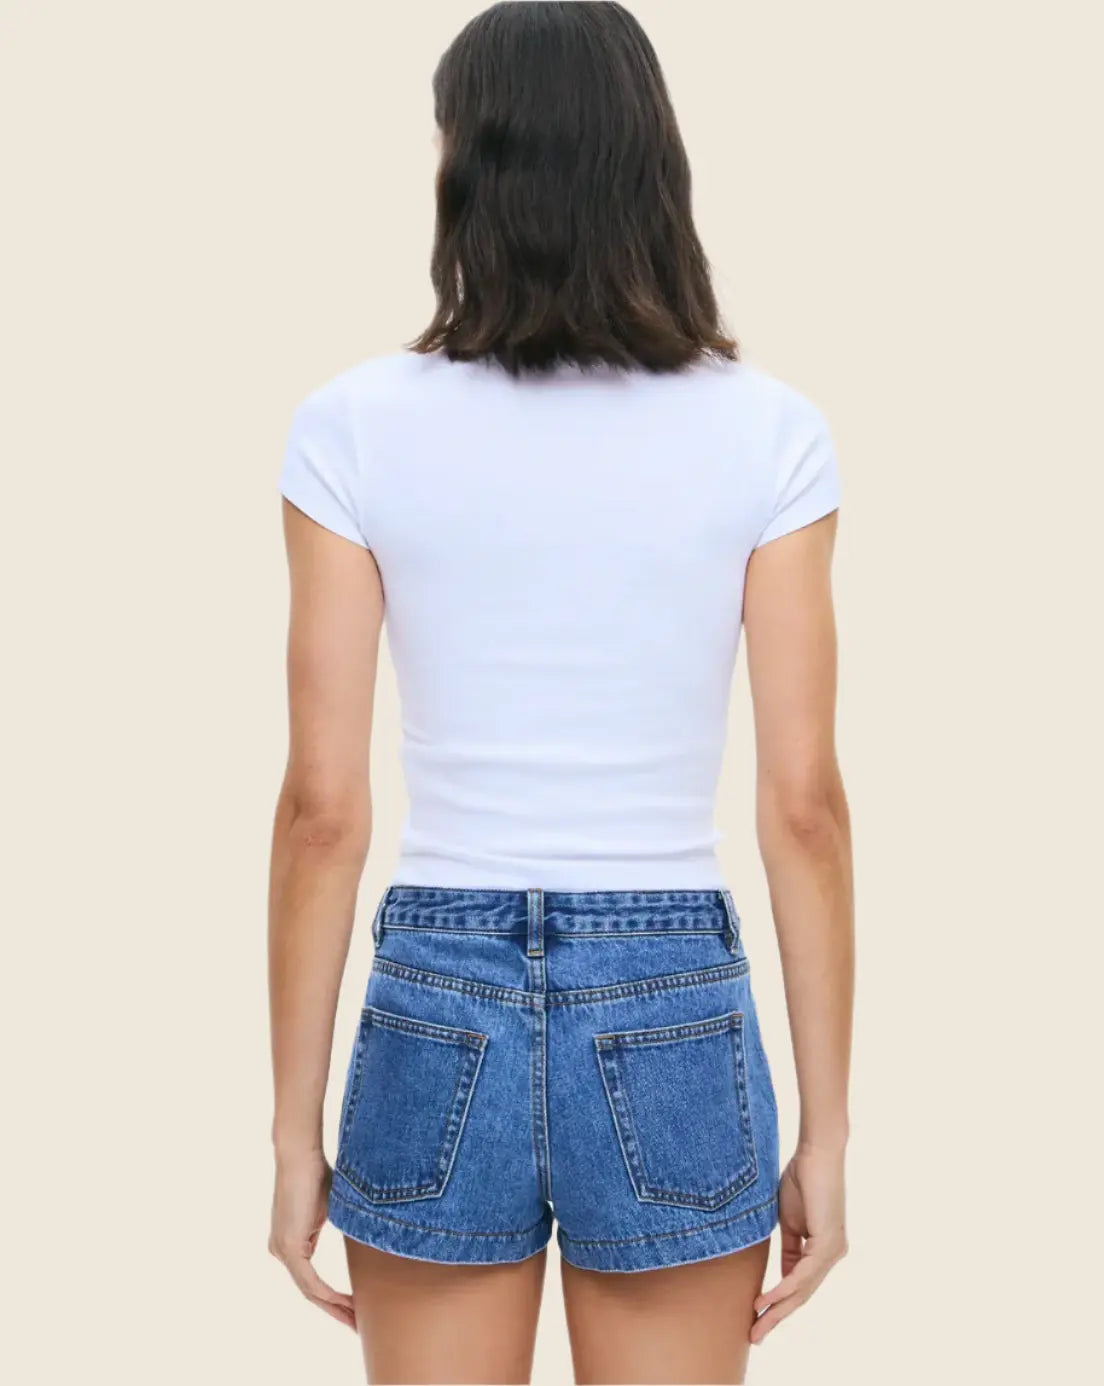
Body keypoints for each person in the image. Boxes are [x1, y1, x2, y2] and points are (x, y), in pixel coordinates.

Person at [267, 3, 853, 1382]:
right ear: (653, 164)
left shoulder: (352, 427)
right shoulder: (769, 432)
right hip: (670, 997)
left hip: (435, 991)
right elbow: (804, 804)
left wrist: (296, 1131)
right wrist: (824, 1126)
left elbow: (322, 809)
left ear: (467, 168)